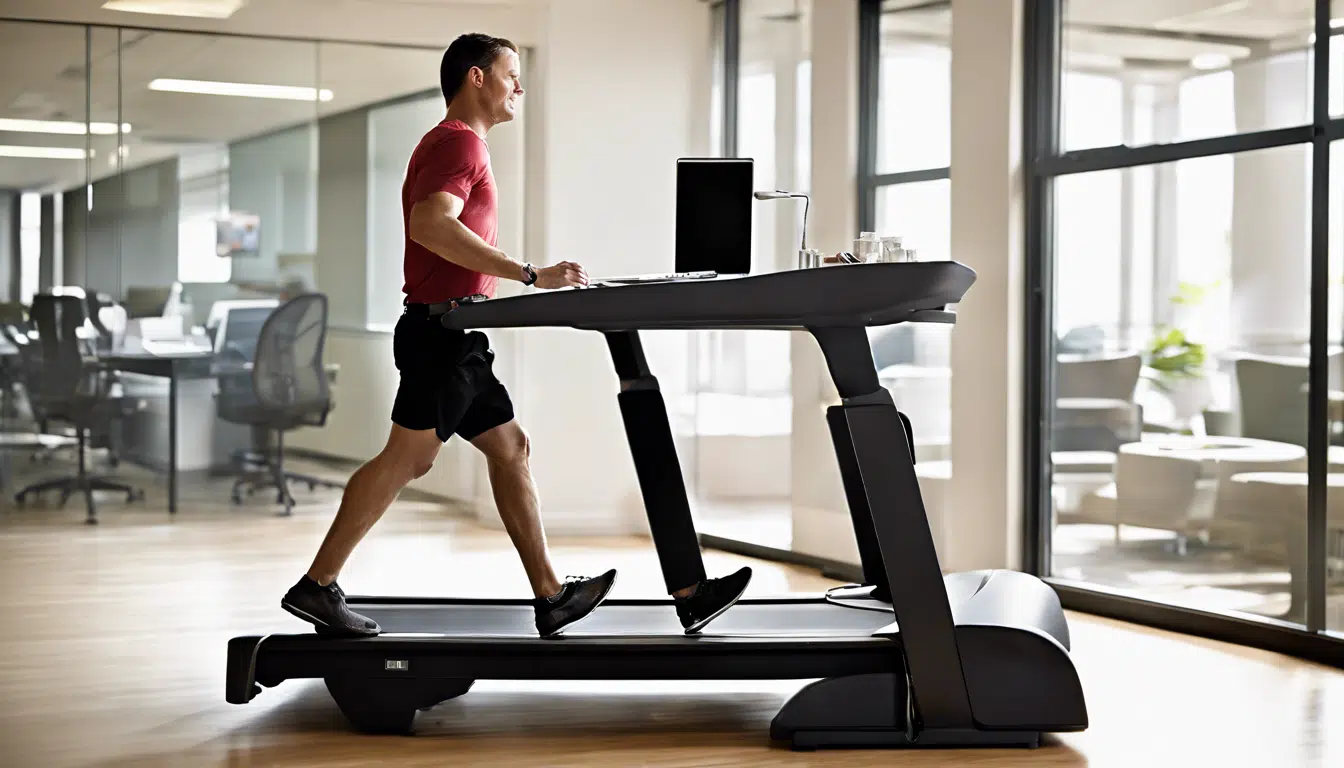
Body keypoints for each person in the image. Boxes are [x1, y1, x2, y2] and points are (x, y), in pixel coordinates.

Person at [280, 33, 752, 639]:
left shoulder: (457, 144)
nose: (519, 88)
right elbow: (430, 225)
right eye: (511, 74)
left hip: (459, 333)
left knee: (511, 449)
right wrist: (532, 275)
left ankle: (551, 596)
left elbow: (436, 229)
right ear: (477, 77)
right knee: (408, 459)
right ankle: (317, 587)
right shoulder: (458, 144)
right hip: (441, 332)